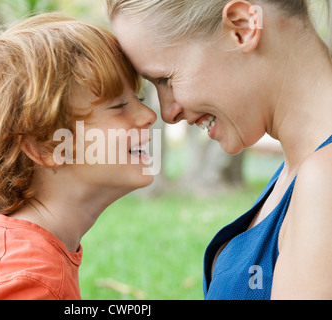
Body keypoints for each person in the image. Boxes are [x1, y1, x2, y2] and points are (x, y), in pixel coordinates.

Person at [105, 0, 332, 299]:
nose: (168, 113)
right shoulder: (300, 171)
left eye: (165, 79)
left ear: (242, 27)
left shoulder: (324, 180)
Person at [0, 13, 156, 300]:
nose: (147, 116)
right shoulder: (28, 281)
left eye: (139, 99)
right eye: (119, 106)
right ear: (44, 147)